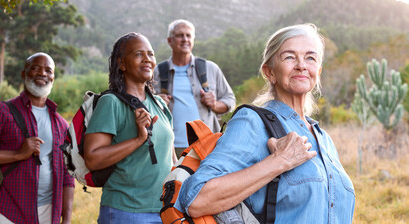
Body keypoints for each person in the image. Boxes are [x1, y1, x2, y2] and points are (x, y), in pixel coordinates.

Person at [174, 23, 355, 223]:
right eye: (289, 57)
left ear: (317, 71)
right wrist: (279, 161)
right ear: (269, 72)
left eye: (310, 58)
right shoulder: (252, 122)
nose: (302, 65)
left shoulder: (324, 138)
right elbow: (196, 199)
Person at [84, 32, 176, 224]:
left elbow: (170, 158)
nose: (147, 60)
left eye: (150, 54)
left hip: (164, 211)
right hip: (125, 211)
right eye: (138, 54)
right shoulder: (111, 103)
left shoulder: (159, 103)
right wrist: (138, 140)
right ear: (122, 64)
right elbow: (92, 159)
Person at [0, 52, 75, 224]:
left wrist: (67, 219)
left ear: (53, 77)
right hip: (8, 212)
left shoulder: (61, 124)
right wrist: (18, 154)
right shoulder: (2, 112)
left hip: (49, 213)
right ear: (23, 74)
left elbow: (67, 174)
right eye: (35, 68)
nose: (43, 74)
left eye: (49, 70)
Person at [153, 19, 236, 156]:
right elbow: (145, 107)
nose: (185, 39)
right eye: (180, 35)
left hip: (206, 145)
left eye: (188, 35)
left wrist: (214, 105)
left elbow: (230, 100)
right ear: (170, 41)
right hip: (169, 148)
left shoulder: (210, 68)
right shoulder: (158, 71)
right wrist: (157, 102)